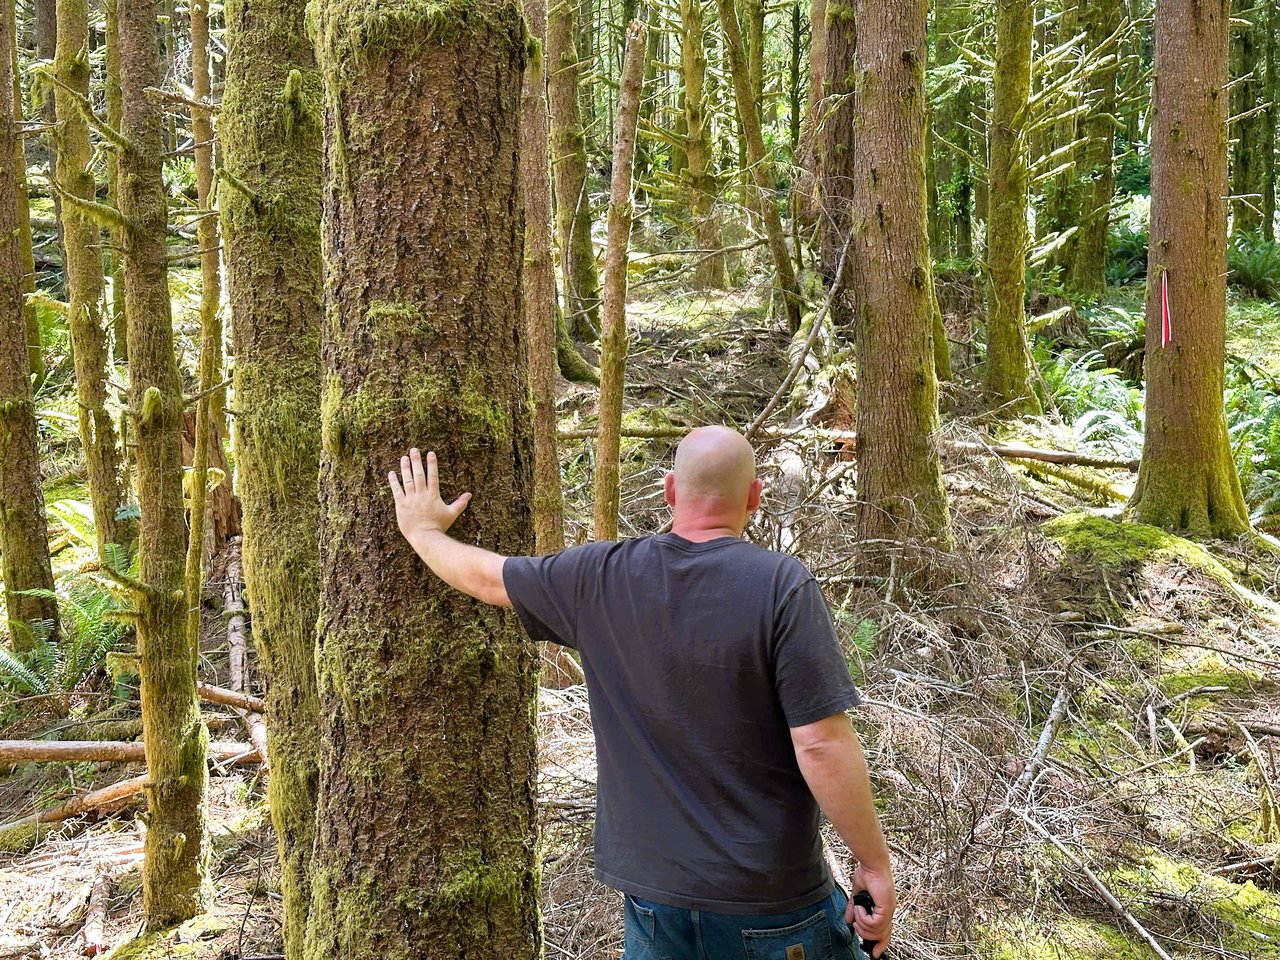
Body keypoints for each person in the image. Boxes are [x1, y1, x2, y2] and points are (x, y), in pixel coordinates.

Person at [388, 427, 896, 959]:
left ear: (670, 491)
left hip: (656, 904)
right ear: (754, 496)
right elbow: (819, 743)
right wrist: (873, 862)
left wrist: (423, 532)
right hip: (769, 901)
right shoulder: (781, 586)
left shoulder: (599, 577)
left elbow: (491, 580)